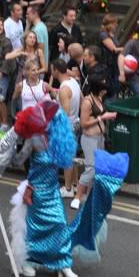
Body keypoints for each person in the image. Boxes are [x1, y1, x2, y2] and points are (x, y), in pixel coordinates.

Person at [10, 100, 86, 277]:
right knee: (34, 230)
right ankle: (29, 260)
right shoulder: (34, 139)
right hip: (35, 194)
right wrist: (12, 143)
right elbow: (17, 162)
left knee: (60, 225)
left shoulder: (58, 140)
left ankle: (63, 264)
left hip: (53, 193)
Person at [71, 75, 118, 210]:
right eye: (103, 88)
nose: (105, 91)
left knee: (98, 169)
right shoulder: (87, 102)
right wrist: (102, 118)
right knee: (91, 169)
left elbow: (99, 115)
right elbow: (83, 123)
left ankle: (89, 197)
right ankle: (77, 197)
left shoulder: (99, 98)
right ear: (97, 88)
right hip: (89, 139)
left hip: (100, 138)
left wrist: (108, 116)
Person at [52, 59, 81, 197]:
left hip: (67, 127)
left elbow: (66, 111)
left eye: (52, 69)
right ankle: (75, 185)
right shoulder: (74, 82)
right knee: (73, 157)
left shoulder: (64, 89)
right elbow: (81, 98)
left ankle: (68, 189)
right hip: (76, 123)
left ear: (56, 71)